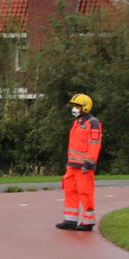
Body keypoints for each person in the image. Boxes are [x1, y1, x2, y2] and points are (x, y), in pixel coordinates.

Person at [56, 93, 102, 232]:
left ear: (85, 108)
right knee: (70, 191)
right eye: (74, 106)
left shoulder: (93, 123)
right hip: (72, 165)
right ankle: (70, 220)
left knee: (85, 193)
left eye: (78, 106)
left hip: (84, 166)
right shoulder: (77, 122)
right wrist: (69, 163)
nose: (75, 109)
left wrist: (88, 163)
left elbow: (94, 144)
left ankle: (88, 223)